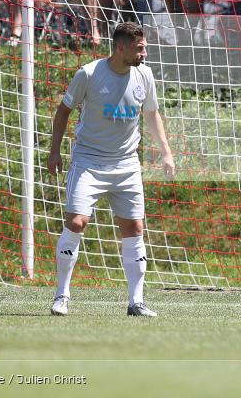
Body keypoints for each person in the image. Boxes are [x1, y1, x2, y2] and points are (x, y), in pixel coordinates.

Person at [47, 21, 175, 317]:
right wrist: (54, 151)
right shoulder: (89, 73)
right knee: (76, 222)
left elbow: (152, 114)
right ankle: (62, 295)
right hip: (88, 161)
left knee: (134, 228)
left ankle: (136, 302)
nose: (145, 53)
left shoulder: (145, 75)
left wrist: (166, 152)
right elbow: (63, 111)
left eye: (145, 47)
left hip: (127, 164)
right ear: (120, 48)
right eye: (139, 48)